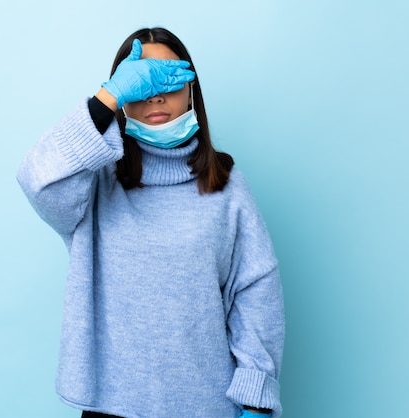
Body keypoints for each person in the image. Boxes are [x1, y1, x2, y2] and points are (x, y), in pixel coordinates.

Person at [17, 27, 284, 418]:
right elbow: (37, 181)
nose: (155, 95)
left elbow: (255, 290)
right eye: (141, 84)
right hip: (111, 408)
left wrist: (256, 399)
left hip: (206, 406)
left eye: (168, 80)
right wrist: (107, 97)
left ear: (191, 91)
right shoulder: (92, 185)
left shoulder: (227, 186)